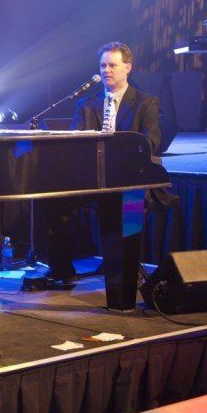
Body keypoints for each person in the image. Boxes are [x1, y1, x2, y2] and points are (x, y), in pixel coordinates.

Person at [42, 41, 162, 281]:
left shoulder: (145, 103)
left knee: (132, 202)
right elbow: (75, 144)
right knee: (51, 201)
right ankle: (62, 269)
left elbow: (149, 143)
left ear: (127, 67)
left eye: (112, 65)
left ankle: (127, 269)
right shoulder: (85, 104)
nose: (106, 70)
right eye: (103, 65)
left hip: (128, 178)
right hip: (92, 179)